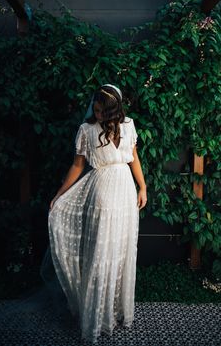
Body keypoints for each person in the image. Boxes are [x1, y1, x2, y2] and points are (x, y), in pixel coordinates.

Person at [47, 83, 147, 344]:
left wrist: (143, 186)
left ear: (115, 109)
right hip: (101, 194)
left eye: (103, 110)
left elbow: (133, 158)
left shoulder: (128, 126)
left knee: (120, 250)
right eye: (96, 109)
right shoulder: (87, 130)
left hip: (125, 191)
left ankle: (115, 311)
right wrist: (59, 194)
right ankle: (95, 315)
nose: (98, 113)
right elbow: (77, 165)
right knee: (100, 253)